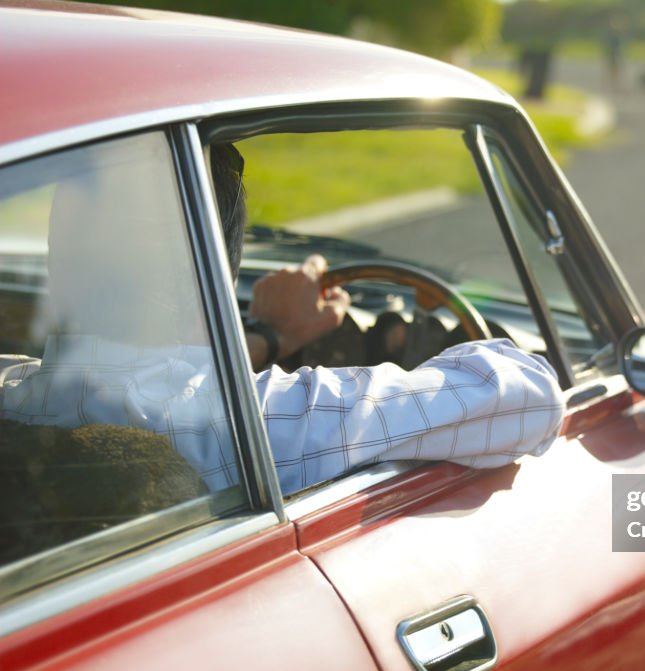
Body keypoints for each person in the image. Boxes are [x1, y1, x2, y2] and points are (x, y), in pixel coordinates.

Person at [0, 140, 565, 497]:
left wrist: (266, 339)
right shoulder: (270, 423)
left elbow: (132, 380)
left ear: (58, 260)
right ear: (214, 273)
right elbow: (532, 394)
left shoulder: (14, 395)